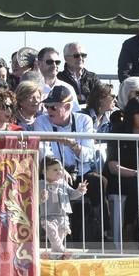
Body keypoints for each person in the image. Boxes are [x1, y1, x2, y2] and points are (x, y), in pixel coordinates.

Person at [33, 85, 104, 241]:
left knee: (98, 182)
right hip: (54, 174)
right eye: (46, 106)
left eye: (53, 107)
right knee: (53, 188)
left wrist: (73, 145)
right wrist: (59, 170)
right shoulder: (41, 122)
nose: (48, 110)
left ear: (67, 106)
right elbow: (44, 152)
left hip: (81, 171)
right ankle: (60, 240)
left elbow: (89, 154)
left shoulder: (84, 120)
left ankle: (100, 234)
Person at [104, 97, 139, 242]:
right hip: (121, 179)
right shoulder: (118, 132)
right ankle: (129, 226)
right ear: (130, 115)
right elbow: (112, 166)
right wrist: (137, 173)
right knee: (138, 183)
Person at [39, 156, 88, 254]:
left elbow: (72, 195)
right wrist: (41, 198)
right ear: (44, 171)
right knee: (52, 234)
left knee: (57, 240)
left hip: (63, 217)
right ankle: (63, 251)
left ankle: (56, 255)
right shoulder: (40, 184)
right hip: (48, 217)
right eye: (55, 169)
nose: (59, 172)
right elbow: (36, 200)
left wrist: (80, 190)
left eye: (60, 169)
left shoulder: (63, 183)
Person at [36, 47, 80, 112]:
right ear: (39, 64)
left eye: (57, 62)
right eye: (50, 62)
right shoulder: (32, 87)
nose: (54, 65)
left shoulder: (68, 88)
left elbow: (76, 113)